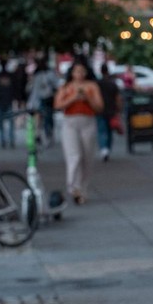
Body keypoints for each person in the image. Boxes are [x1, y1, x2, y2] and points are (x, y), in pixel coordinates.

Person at [53, 57, 104, 205]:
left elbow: (99, 107)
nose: (79, 74)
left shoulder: (92, 87)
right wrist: (73, 98)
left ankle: (83, 188)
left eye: (82, 71)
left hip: (88, 121)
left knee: (87, 157)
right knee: (74, 155)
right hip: (70, 122)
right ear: (72, 73)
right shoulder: (66, 87)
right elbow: (58, 105)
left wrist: (87, 98)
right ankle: (73, 187)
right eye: (77, 71)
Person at [28, 57, 59, 145]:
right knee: (42, 118)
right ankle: (40, 134)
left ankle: (47, 135)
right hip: (39, 100)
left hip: (46, 99)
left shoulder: (48, 74)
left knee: (47, 118)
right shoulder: (38, 75)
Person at [95, 63, 121, 162]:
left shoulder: (98, 83)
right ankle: (108, 149)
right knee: (110, 131)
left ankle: (103, 149)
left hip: (100, 110)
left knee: (102, 130)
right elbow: (118, 98)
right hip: (112, 109)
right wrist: (119, 109)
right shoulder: (112, 83)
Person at [0, 62, 18, 148]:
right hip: (6, 101)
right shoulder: (10, 76)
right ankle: (9, 140)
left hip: (2, 101)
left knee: (2, 123)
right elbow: (15, 88)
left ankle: (4, 140)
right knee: (9, 122)